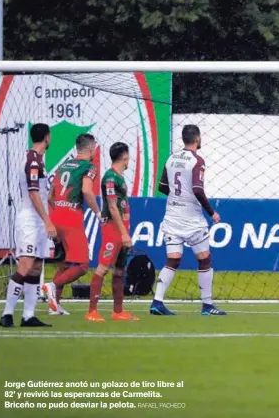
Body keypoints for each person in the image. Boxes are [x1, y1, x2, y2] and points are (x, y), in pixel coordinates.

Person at [150, 125, 226, 316]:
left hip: (172, 217)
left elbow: (162, 186)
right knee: (204, 258)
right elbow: (198, 189)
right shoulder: (197, 160)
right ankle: (207, 305)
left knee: (173, 259)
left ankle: (157, 302)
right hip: (191, 219)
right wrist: (212, 213)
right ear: (197, 139)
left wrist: (178, 196)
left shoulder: (171, 158)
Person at [0, 124, 55, 328]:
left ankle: (28, 315)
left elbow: (39, 191)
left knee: (36, 267)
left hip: (38, 220)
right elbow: (32, 193)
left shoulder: (38, 160)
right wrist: (47, 220)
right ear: (47, 138)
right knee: (25, 264)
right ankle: (7, 314)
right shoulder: (32, 160)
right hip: (30, 220)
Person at [43, 134, 100, 316]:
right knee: (82, 265)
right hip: (71, 218)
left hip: (56, 216)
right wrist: (98, 213)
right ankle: (53, 285)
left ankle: (55, 306)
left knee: (66, 263)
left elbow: (50, 196)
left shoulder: (63, 166)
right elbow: (86, 191)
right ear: (91, 149)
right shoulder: (89, 167)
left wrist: (57, 211)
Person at [86, 142, 139, 322]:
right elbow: (112, 207)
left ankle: (118, 311)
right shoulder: (110, 178)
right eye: (129, 156)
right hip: (113, 229)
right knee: (103, 268)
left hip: (122, 227)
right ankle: (92, 311)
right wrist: (123, 233)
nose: (129, 159)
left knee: (119, 270)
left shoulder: (119, 177)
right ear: (124, 157)